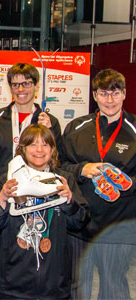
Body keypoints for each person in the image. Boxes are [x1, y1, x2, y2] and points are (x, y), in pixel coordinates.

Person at [0, 62, 62, 299]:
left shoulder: (48, 121)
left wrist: (50, 132)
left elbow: (58, 162)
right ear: (10, 87)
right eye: (16, 84)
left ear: (35, 87)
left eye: (26, 83)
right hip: (1, 201)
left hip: (36, 204)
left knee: (27, 262)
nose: (21, 89)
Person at [0, 124, 89, 299]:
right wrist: (2, 199)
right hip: (14, 281)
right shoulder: (9, 180)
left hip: (54, 282)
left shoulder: (64, 180)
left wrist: (69, 200)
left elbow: (80, 222)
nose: (39, 150)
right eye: (33, 144)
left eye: (45, 144)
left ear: (52, 149)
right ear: (23, 150)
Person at [61, 68, 136, 299]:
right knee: (75, 286)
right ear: (94, 95)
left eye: (115, 93)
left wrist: (129, 184)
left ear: (124, 94)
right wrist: (82, 169)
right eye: (103, 93)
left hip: (118, 227)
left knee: (113, 288)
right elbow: (60, 166)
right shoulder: (76, 128)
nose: (109, 100)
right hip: (79, 222)